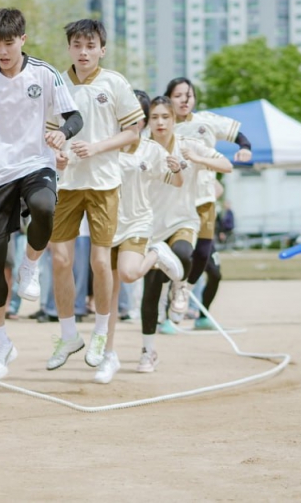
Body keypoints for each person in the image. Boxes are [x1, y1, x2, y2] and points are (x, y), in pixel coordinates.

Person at [0, 8, 80, 378]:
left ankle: (31, 265)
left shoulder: (45, 73)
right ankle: (0, 343)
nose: (3, 51)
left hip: (36, 164)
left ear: (23, 39)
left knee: (43, 206)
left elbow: (75, 117)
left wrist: (62, 134)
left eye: (9, 43)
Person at [46, 19, 141, 372]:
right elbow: (50, 133)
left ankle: (101, 332)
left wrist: (97, 147)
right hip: (66, 184)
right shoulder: (57, 83)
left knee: (101, 263)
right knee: (60, 260)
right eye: (77, 45)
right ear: (69, 48)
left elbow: (133, 132)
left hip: (104, 184)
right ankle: (68, 334)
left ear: (102, 49)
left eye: (90, 46)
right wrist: (56, 153)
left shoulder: (114, 82)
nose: (83, 52)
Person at [137, 96, 232, 373]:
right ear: (148, 121)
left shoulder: (189, 145)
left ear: (174, 119)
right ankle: (148, 351)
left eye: (165, 117)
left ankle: (180, 287)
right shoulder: (141, 148)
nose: (160, 122)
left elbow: (227, 165)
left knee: (183, 254)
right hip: (152, 227)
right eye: (155, 117)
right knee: (151, 291)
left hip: (183, 221)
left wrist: (198, 159)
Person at [94, 90, 180, 383]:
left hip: (137, 223)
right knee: (108, 296)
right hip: (106, 225)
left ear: (141, 121)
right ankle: (108, 355)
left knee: (130, 274)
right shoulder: (106, 146)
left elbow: (176, 180)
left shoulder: (151, 150)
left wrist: (177, 168)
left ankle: (157, 253)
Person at [166, 77, 251, 330]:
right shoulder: (162, 125)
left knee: (204, 256)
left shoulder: (207, 121)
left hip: (203, 199)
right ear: (169, 98)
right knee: (177, 257)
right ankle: (165, 312)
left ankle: (186, 292)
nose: (184, 100)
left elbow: (238, 135)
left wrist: (245, 147)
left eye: (189, 95)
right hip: (173, 202)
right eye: (178, 95)